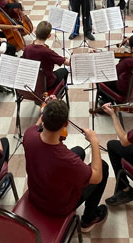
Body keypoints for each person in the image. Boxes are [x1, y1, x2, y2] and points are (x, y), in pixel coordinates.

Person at [23, 99, 109, 232]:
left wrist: (46, 109)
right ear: (66, 124)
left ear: (43, 118)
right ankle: (88, 219)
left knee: (79, 151)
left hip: (36, 194)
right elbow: (97, 177)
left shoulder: (29, 135)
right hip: (58, 207)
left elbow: (36, 126)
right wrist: (94, 141)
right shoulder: (68, 160)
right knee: (102, 167)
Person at [22, 21, 70, 89]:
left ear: (35, 32)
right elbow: (68, 63)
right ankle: (61, 88)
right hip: (46, 84)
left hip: (32, 82)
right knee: (64, 70)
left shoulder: (27, 48)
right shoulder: (48, 52)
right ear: (49, 36)